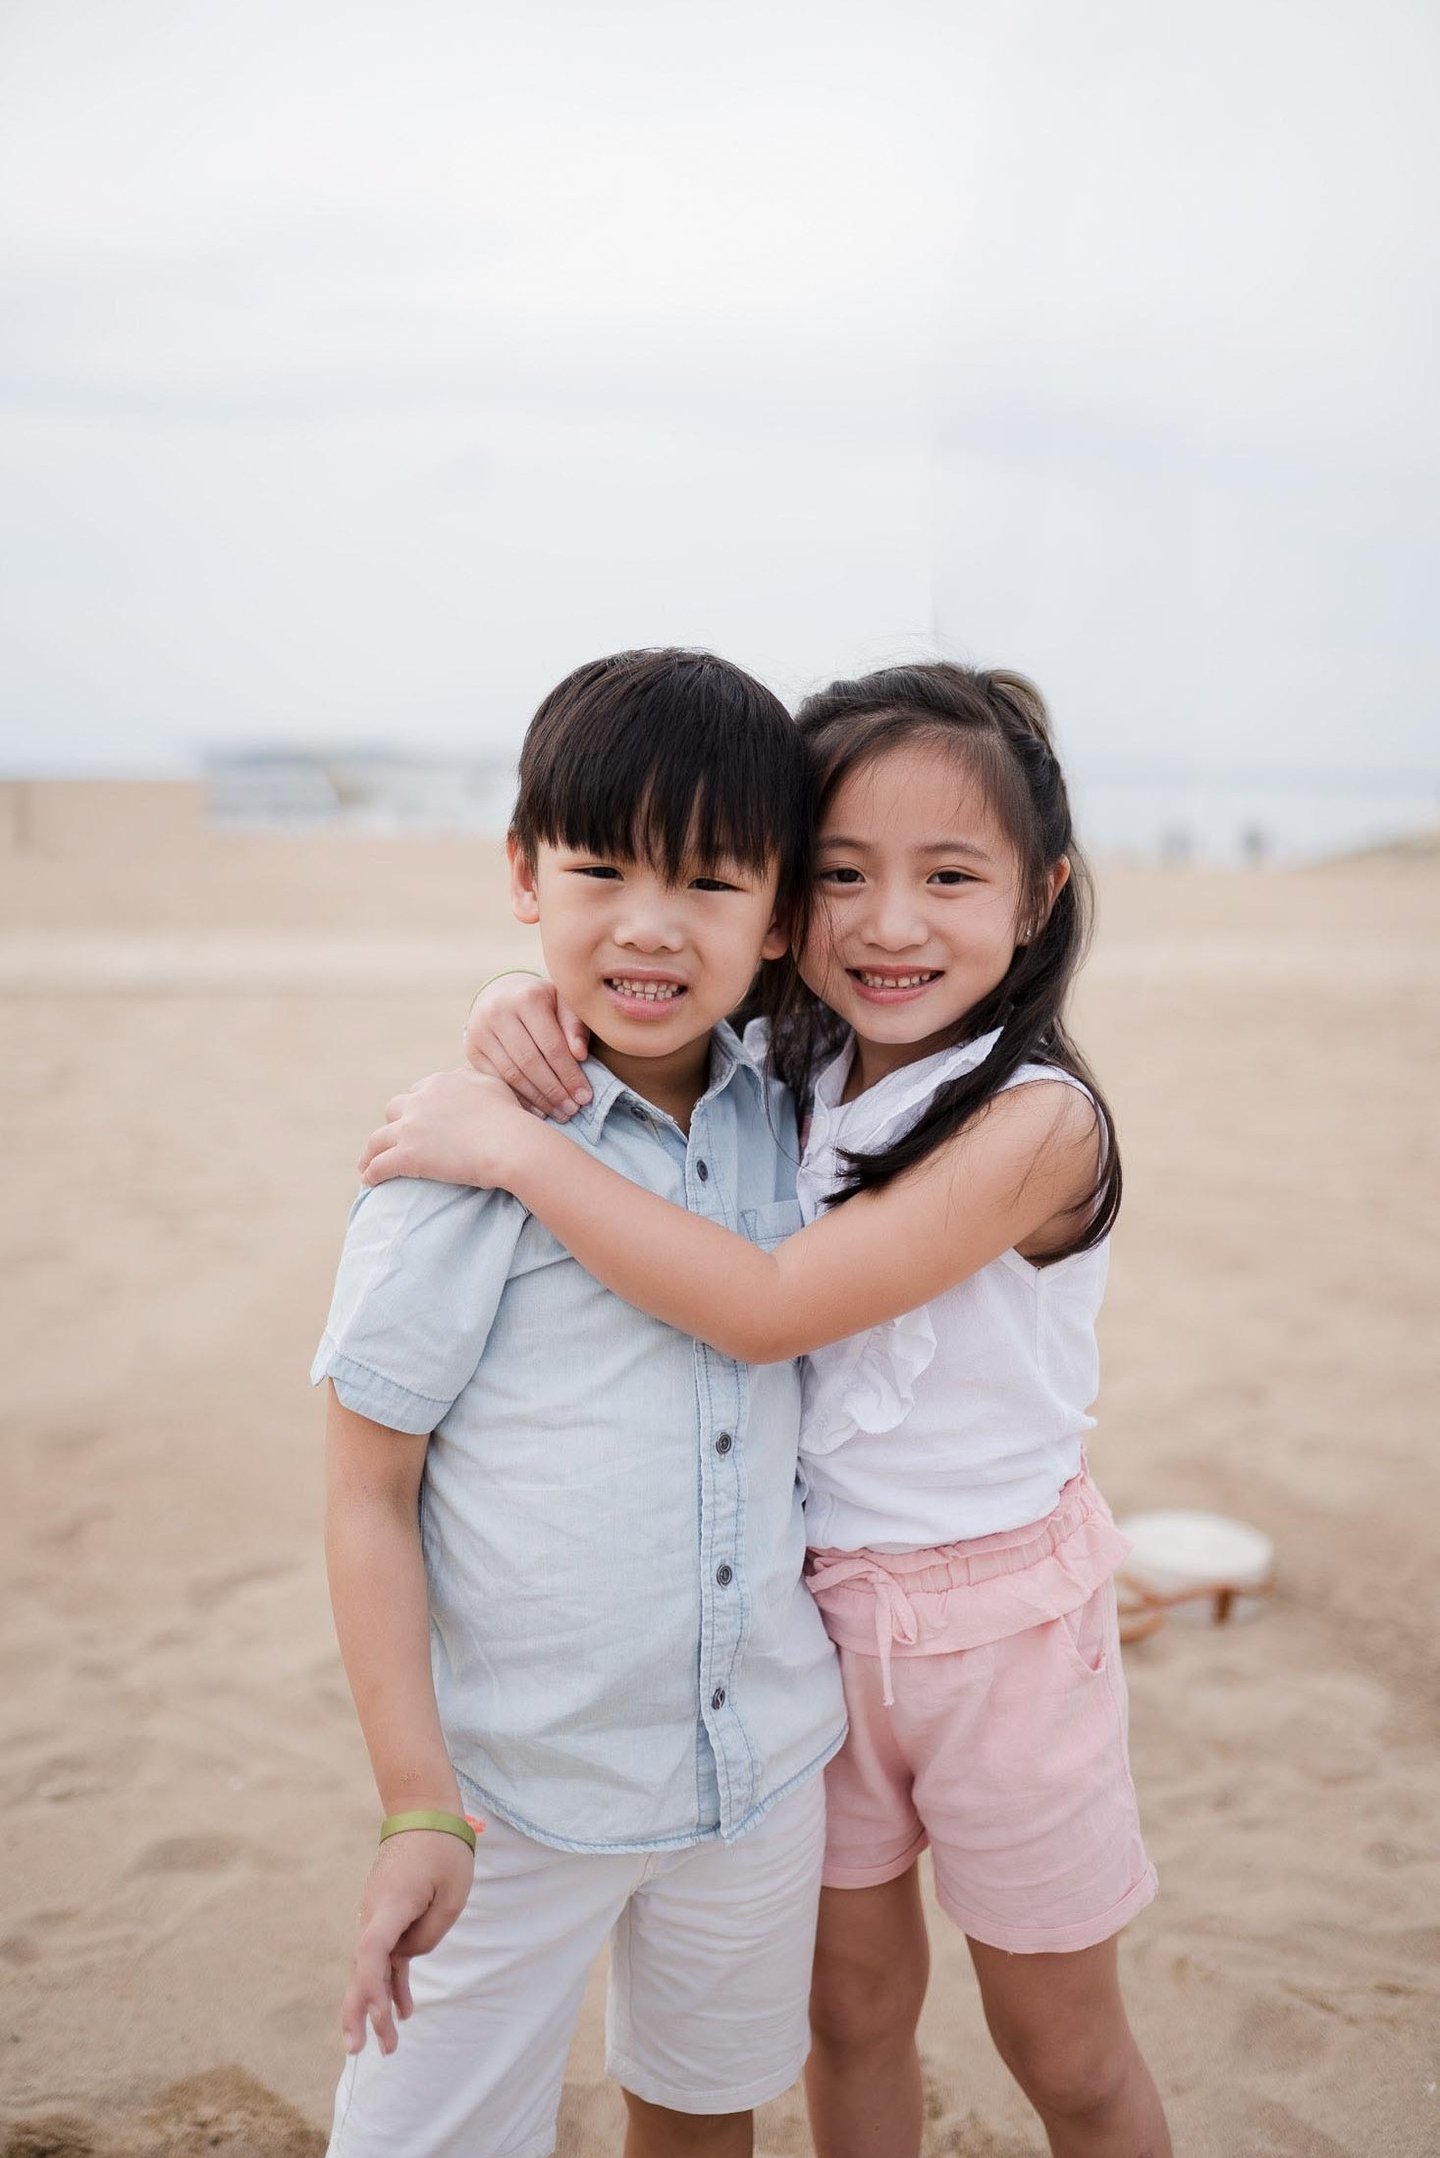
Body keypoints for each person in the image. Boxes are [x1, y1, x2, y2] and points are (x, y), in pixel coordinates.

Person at [362, 662, 1173, 2158]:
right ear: (792, 903)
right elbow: (642, 1006)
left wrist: (523, 1153)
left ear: (1041, 892)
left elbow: (767, 1304)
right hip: (808, 1642)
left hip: (1003, 1639)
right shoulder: (787, 1065)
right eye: (844, 875)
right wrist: (515, 1003)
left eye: (949, 875)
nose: (889, 921)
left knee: (1062, 2046)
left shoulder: (1039, 1123)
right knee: (848, 2016)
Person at [314, 648, 846, 2158]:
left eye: (712, 881)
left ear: (781, 914)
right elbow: (368, 1491)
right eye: (599, 868)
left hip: (756, 1771)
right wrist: (418, 1805)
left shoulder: (789, 1112)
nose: (650, 925)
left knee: (701, 2112)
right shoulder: (460, 1159)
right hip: (519, 1801)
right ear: (523, 874)